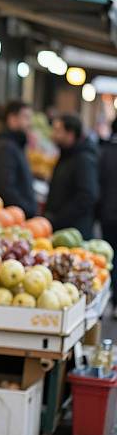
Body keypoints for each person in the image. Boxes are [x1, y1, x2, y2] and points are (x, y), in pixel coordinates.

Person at [44, 114, 99, 239]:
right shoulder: (66, 155)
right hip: (62, 229)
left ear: (70, 134)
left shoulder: (83, 159)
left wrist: (58, 219)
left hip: (74, 232)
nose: (54, 135)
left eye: (58, 131)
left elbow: (87, 195)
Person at [0, 100, 37, 218]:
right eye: (26, 117)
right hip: (8, 218)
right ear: (12, 119)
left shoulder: (14, 145)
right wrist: (28, 210)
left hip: (14, 216)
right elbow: (5, 188)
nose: (30, 123)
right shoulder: (5, 148)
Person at [98, 118, 117, 315]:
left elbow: (99, 183)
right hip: (109, 211)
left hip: (108, 214)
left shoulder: (105, 152)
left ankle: (109, 295)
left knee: (111, 256)